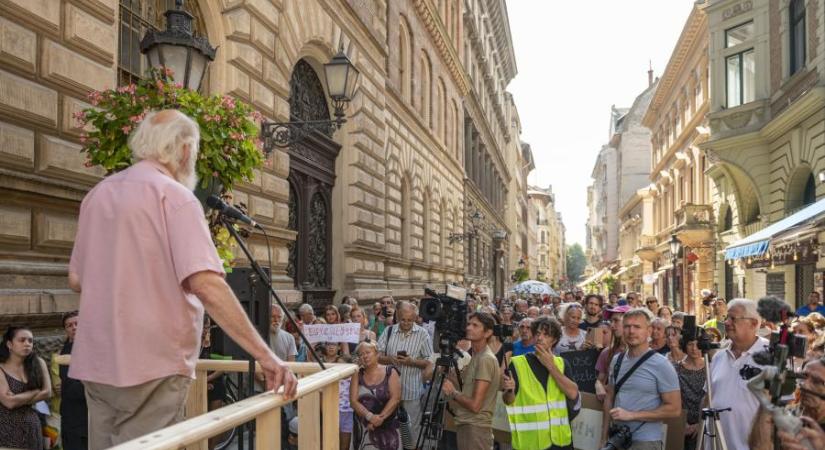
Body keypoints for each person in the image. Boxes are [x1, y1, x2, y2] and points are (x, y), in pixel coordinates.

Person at [67, 110, 296, 448]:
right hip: (152, 365)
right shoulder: (175, 197)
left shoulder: (97, 195)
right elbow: (207, 284)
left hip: (96, 362)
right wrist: (267, 356)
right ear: (186, 150)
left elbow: (76, 279)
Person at [600, 308, 681, 449]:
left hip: (645, 441)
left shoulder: (662, 364)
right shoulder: (616, 360)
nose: (631, 331)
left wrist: (631, 415)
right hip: (616, 439)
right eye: (627, 326)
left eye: (637, 327)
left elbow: (674, 409)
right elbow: (609, 398)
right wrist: (603, 437)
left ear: (648, 331)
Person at [502, 316, 580, 450]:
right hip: (530, 443)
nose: (540, 338)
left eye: (546, 334)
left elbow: (573, 393)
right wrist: (509, 391)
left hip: (560, 442)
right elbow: (508, 400)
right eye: (538, 333)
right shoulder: (518, 363)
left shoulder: (562, 364)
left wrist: (551, 366)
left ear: (554, 340)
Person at [708, 298, 769, 450]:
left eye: (733, 318)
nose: (727, 323)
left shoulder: (772, 356)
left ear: (753, 323)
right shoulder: (718, 356)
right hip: (716, 445)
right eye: (727, 317)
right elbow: (707, 398)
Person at [441, 312, 501, 450]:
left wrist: (453, 392)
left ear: (488, 333)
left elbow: (475, 405)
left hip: (476, 429)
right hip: (469, 426)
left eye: (475, 325)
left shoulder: (485, 359)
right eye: (469, 324)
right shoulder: (476, 355)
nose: (469, 328)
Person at [377, 301, 432, 443]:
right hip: (388, 392)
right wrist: (390, 359)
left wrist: (411, 362)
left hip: (411, 391)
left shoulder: (423, 334)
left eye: (410, 320)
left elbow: (429, 362)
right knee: (390, 430)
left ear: (415, 318)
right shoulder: (389, 331)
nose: (406, 323)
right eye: (403, 320)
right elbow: (377, 357)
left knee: (411, 430)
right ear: (397, 316)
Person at [0, 327, 52, 450]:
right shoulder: (1, 368)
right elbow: (9, 402)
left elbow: (48, 392)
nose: (27, 344)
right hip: (6, 432)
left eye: (30, 340)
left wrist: (18, 398)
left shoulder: (39, 363)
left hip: (33, 430)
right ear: (9, 344)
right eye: (22, 340)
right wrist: (35, 392)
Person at [351, 341, 401, 450]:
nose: (364, 356)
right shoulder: (356, 374)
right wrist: (370, 417)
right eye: (361, 354)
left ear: (377, 354)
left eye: (367, 352)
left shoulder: (390, 372)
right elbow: (353, 401)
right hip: (364, 428)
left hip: (388, 428)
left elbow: (395, 398)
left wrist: (379, 419)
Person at [58, 311, 88, 450]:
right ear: (66, 330)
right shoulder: (65, 352)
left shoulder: (96, 347)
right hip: (75, 417)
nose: (74, 327)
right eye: (69, 325)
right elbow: (72, 388)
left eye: (77, 323)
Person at [674, 337, 706, 450]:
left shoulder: (711, 368)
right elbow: (673, 398)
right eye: (690, 344)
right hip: (680, 423)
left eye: (698, 345)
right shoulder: (675, 368)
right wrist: (682, 422)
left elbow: (712, 398)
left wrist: (701, 423)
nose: (694, 348)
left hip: (705, 425)